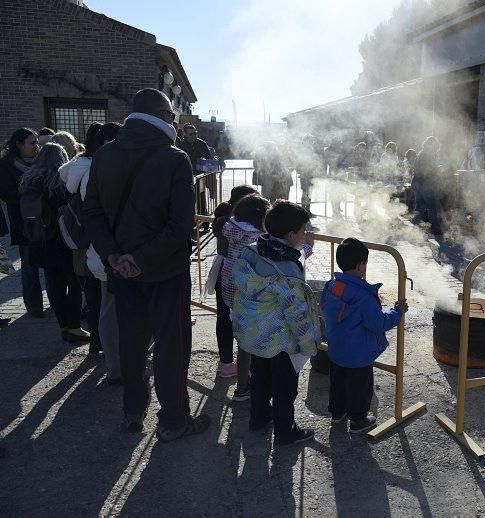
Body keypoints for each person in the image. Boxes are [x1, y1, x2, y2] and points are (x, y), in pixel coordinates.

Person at [83, 88, 210, 441]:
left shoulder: (104, 154)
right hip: (164, 270)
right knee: (172, 345)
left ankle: (133, 411)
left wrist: (113, 255)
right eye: (171, 115)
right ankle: (173, 420)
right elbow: (180, 226)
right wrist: (138, 259)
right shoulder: (174, 158)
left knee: (132, 342)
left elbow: (91, 213)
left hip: (119, 270)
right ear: (163, 116)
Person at [231, 200, 320, 445]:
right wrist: (307, 343)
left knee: (259, 378)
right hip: (281, 340)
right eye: (303, 231)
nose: (306, 234)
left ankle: (258, 418)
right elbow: (297, 313)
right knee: (285, 387)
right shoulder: (288, 270)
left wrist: (306, 248)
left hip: (255, 335)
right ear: (291, 234)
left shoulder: (251, 250)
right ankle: (285, 430)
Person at [321, 238, 408, 433]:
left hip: (336, 350)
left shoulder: (331, 287)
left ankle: (337, 413)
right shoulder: (363, 297)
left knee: (338, 383)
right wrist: (397, 312)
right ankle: (359, 419)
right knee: (360, 388)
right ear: (361, 266)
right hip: (358, 355)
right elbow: (379, 323)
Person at [59, 121, 122, 375]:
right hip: (108, 251)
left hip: (103, 251)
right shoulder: (95, 172)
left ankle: (110, 357)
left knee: (105, 305)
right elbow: (99, 215)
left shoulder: (85, 169)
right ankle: (115, 366)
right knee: (110, 308)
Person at [19, 143, 88, 342]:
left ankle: (63, 323)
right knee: (74, 283)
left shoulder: (28, 180)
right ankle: (74, 326)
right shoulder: (62, 180)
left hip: (39, 239)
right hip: (64, 239)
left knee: (54, 282)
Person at [216, 188, 264, 402]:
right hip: (252, 298)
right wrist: (307, 246)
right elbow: (287, 255)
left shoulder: (232, 230)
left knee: (244, 343)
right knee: (253, 342)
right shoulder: (256, 239)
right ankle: (250, 385)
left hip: (233, 295)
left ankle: (242, 387)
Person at [0, 128, 44, 316]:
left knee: (49, 264)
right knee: (29, 265)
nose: (37, 146)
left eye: (37, 142)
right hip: (23, 222)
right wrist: (30, 194)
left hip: (45, 221)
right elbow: (6, 194)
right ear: (19, 144)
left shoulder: (41, 162)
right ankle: (34, 307)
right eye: (32, 143)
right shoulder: (5, 165)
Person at [411, 136, 445, 235]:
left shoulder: (421, 153)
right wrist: (438, 170)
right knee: (432, 207)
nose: (436, 148)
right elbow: (426, 171)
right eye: (435, 146)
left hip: (417, 183)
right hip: (425, 184)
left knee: (420, 206)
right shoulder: (427, 155)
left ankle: (415, 229)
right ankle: (435, 229)